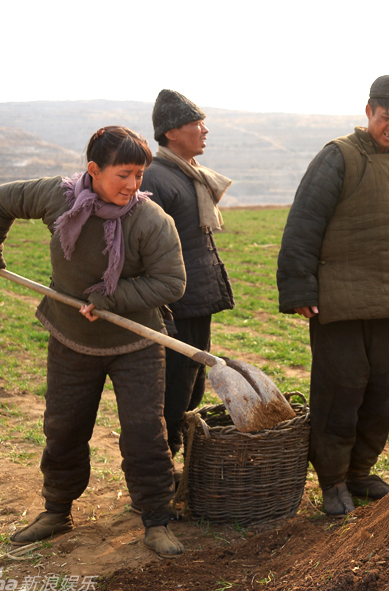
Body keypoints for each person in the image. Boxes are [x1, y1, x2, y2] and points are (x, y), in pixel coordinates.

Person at [0, 126, 187, 556]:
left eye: (139, 175)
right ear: (94, 169)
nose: (133, 185)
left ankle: (157, 518)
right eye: (123, 174)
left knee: (145, 433)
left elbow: (172, 282)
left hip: (136, 343)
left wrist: (112, 296)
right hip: (70, 335)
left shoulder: (150, 220)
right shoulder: (58, 198)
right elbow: (0, 201)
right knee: (64, 426)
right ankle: (57, 510)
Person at [276, 73, 389, 517]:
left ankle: (360, 471)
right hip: (339, 301)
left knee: (379, 392)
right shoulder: (338, 157)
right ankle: (332, 480)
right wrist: (299, 288)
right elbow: (304, 223)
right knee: (340, 391)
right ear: (369, 111)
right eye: (386, 117)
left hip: (388, 298)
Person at [143, 89, 234, 458]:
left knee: (192, 386)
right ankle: (159, 469)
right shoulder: (156, 179)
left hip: (196, 300)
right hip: (175, 306)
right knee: (173, 389)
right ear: (172, 133)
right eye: (197, 123)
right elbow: (145, 247)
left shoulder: (190, 176)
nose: (205, 130)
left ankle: (175, 465)